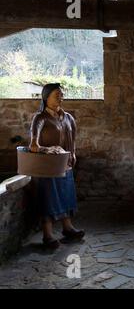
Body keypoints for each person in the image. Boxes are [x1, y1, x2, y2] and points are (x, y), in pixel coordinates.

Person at [29, 83, 84, 249]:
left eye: (61, 94)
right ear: (46, 97)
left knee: (66, 194)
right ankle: (48, 235)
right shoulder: (40, 118)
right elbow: (33, 145)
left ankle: (68, 228)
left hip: (64, 164)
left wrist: (72, 154)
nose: (60, 97)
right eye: (56, 95)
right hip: (46, 167)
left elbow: (72, 139)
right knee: (49, 198)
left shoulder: (68, 117)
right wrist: (48, 149)